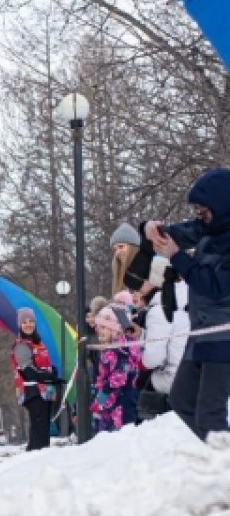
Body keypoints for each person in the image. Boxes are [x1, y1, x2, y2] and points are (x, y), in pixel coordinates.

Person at [147, 168, 230, 441]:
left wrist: (178, 257)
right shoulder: (208, 228)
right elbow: (178, 233)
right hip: (201, 334)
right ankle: (222, 459)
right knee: (182, 399)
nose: (199, 216)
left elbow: (216, 287)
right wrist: (152, 230)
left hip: (223, 339)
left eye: (203, 210)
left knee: (210, 413)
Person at [138, 256, 191, 419]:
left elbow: (154, 358)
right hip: (195, 374)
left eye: (143, 279)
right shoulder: (186, 299)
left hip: (174, 379)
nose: (138, 286)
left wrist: (141, 364)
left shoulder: (160, 307)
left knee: (142, 388)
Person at [10, 307, 58, 451]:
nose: (28, 324)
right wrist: (47, 376)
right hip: (31, 389)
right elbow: (28, 371)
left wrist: (52, 373)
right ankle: (36, 453)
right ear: (20, 325)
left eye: (31, 321)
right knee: (38, 424)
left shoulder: (39, 343)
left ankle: (40, 452)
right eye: (24, 322)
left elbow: (45, 365)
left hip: (45, 390)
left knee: (43, 425)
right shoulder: (21, 345)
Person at [90, 305, 141, 433]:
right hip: (113, 402)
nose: (99, 331)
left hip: (120, 402)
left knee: (117, 436)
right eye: (97, 327)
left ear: (115, 330)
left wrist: (105, 391)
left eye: (103, 327)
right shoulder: (114, 348)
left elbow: (120, 374)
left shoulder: (120, 350)